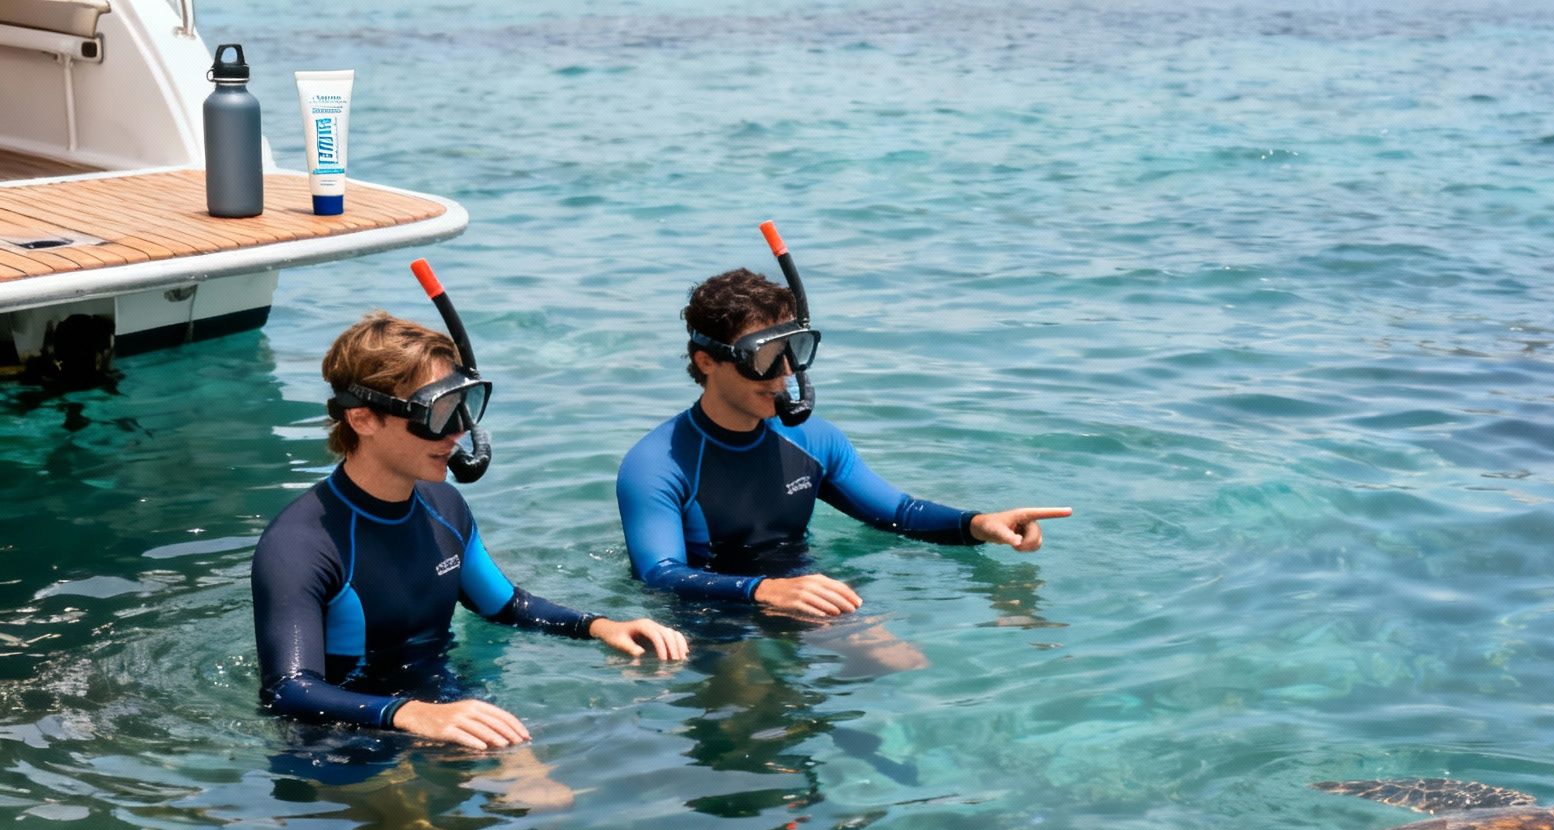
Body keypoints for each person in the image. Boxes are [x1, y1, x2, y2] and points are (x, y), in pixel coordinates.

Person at [253, 311, 688, 753]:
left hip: (448, 708)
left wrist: (599, 626)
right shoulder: (300, 544)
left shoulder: (445, 507)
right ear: (363, 419)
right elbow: (288, 690)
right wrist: (412, 713)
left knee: (551, 800)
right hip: (343, 739)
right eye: (437, 413)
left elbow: (507, 605)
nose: (459, 431)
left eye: (463, 406)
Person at [616, 267, 1069, 616]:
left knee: (899, 666)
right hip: (709, 615)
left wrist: (977, 525)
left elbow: (897, 513)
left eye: (792, 351)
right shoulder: (657, 464)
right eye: (765, 358)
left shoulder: (812, 438)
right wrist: (762, 591)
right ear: (707, 362)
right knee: (753, 705)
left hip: (803, 590)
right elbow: (659, 574)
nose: (786, 374)